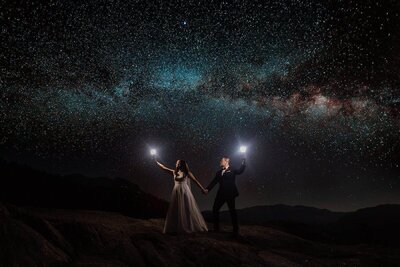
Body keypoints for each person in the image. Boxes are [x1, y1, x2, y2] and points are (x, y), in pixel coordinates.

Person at [155, 158, 208, 234]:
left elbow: (195, 181)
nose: (176, 164)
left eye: (178, 163)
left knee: (187, 208)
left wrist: (203, 189)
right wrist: (157, 162)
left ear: (182, 164)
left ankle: (189, 225)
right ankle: (175, 226)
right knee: (176, 208)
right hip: (176, 191)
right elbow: (164, 168)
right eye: (176, 163)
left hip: (184, 191)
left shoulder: (187, 173)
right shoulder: (174, 172)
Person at [203, 156, 246, 237]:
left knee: (232, 211)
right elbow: (214, 181)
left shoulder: (232, 169)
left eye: (221, 161)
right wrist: (207, 189)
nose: (220, 162)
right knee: (215, 209)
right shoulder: (218, 172)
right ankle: (216, 229)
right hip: (221, 194)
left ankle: (235, 230)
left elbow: (240, 171)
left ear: (226, 161)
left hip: (230, 193)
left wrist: (243, 162)